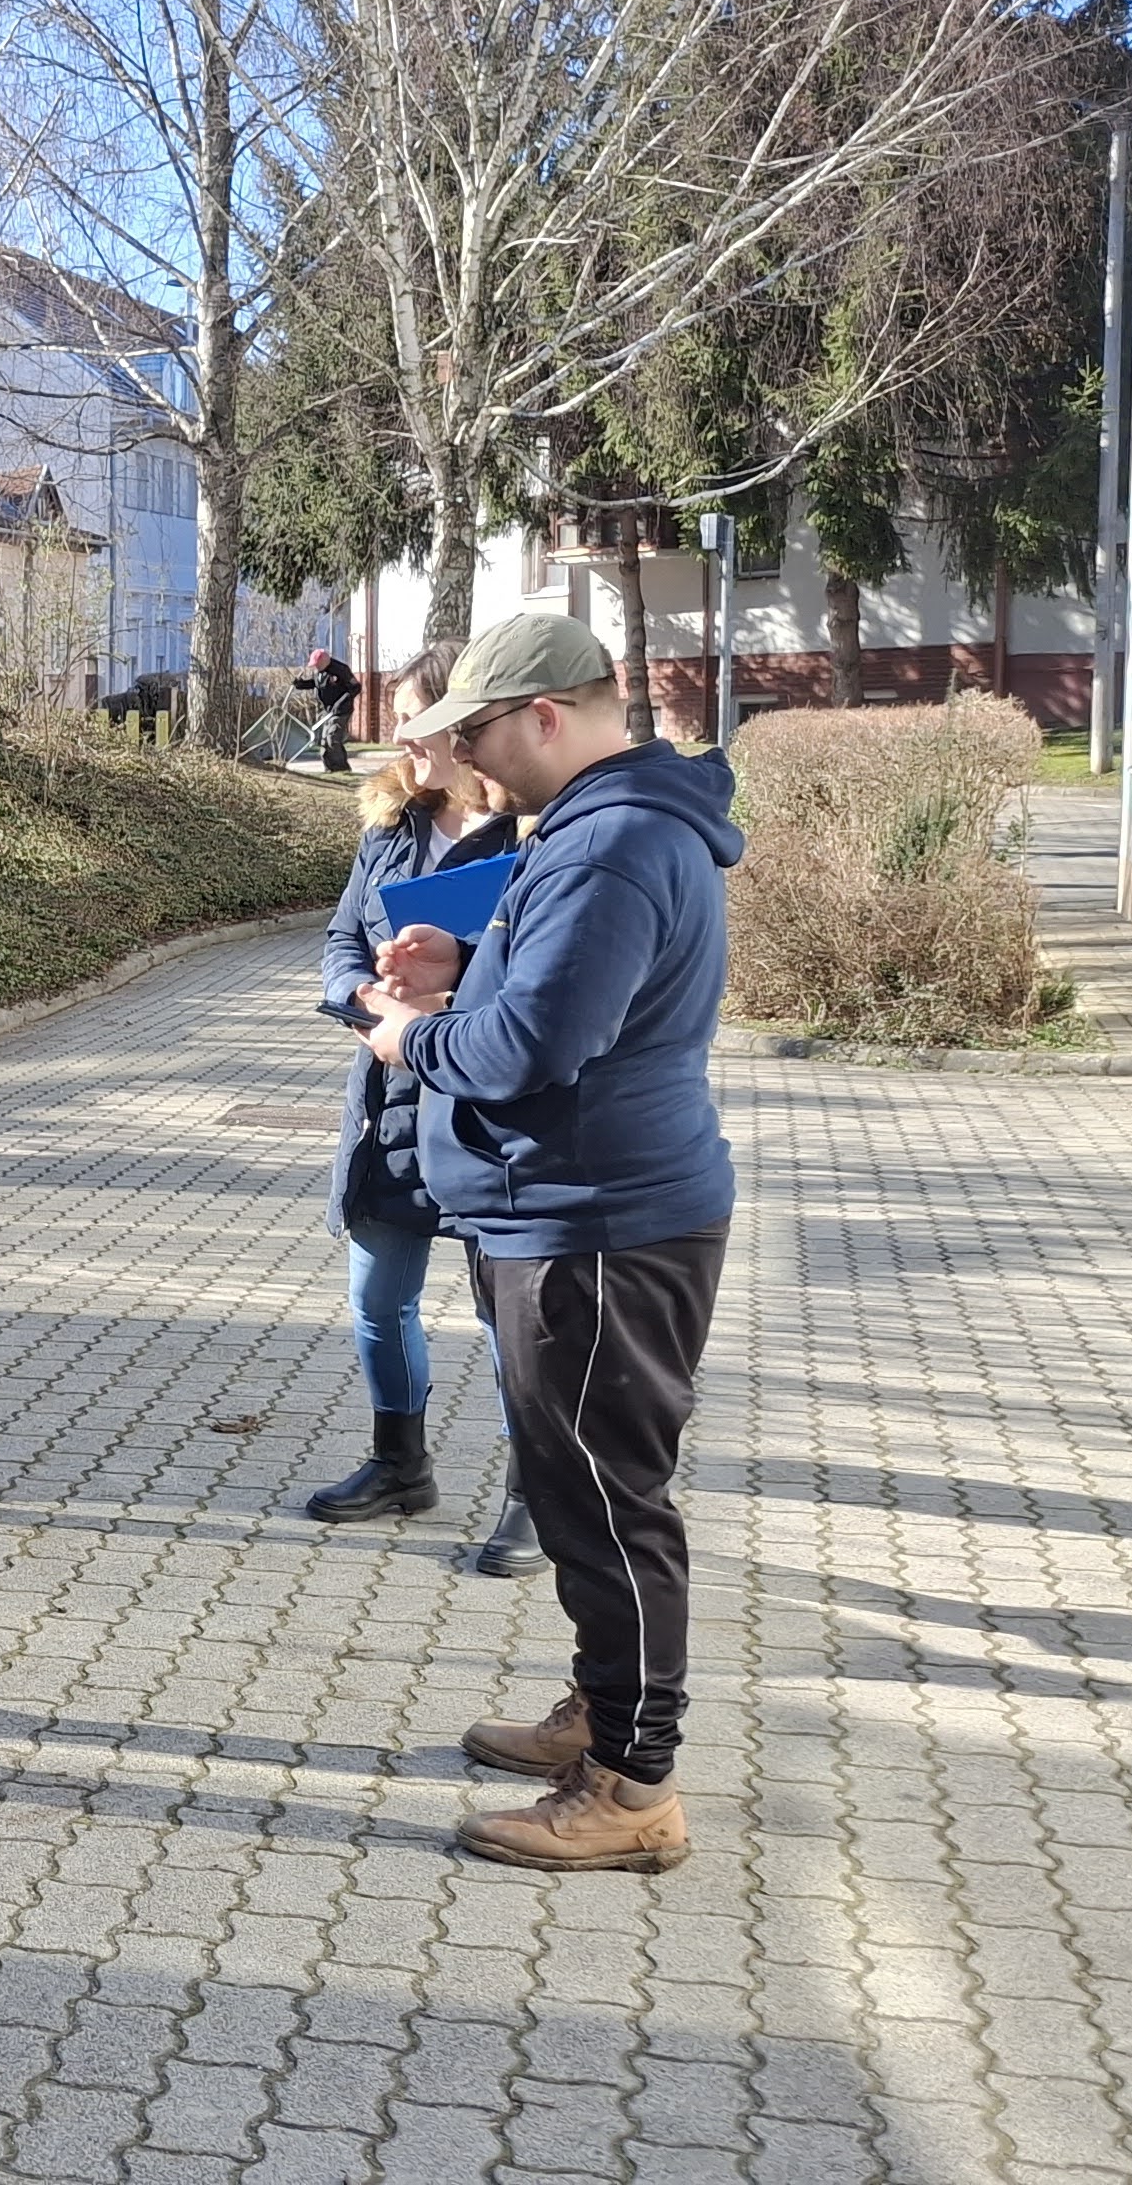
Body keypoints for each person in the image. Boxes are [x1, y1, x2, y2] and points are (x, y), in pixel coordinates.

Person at [357, 612, 740, 1874]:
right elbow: (558, 990)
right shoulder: (592, 827)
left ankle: (632, 1785)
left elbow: (535, 1046)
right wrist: (468, 959)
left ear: (546, 715)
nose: (461, 757)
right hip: (570, 1211)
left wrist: (411, 1035)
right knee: (577, 1493)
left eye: (474, 731)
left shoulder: (613, 842)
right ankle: (603, 1710)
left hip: (596, 1223)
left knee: (609, 1504)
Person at [306, 641, 538, 1575]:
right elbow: (339, 942)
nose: (397, 737)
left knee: (507, 1317)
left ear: (463, 723)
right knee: (376, 1299)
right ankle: (400, 1466)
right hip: (388, 1102)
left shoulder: (529, 838)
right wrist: (365, 1001)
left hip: (486, 1112)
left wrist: (450, 995)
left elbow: (542, 979)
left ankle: (535, 1497)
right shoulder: (389, 829)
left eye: (412, 719)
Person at [302, 648, 362, 773]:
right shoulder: (320, 672)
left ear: (325, 661)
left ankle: (341, 768)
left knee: (332, 738)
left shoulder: (341, 669)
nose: (316, 667)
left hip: (341, 710)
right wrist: (302, 684)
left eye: (317, 664)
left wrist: (341, 702)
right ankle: (329, 768)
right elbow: (317, 684)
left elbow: (355, 687)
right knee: (324, 740)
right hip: (327, 711)